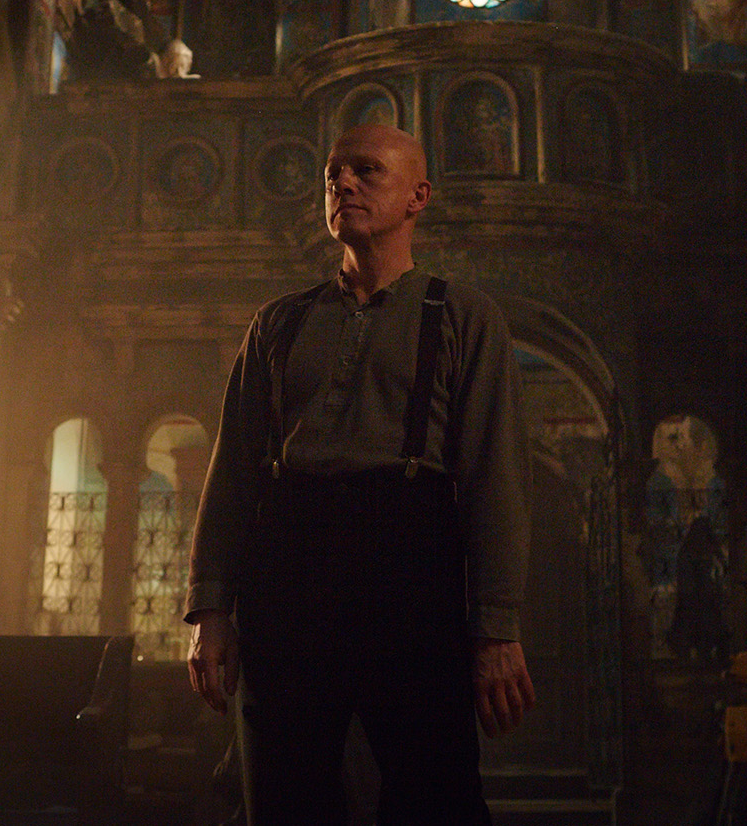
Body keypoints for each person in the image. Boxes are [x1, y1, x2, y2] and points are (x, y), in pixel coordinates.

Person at [183, 123, 534, 826]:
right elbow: (233, 476)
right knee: (282, 792)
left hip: (408, 564)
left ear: (417, 197)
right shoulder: (279, 323)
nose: (343, 183)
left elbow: (494, 479)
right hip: (289, 565)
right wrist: (210, 608)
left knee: (434, 792)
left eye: (367, 171)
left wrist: (496, 628)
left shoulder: (463, 317)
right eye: (333, 175)